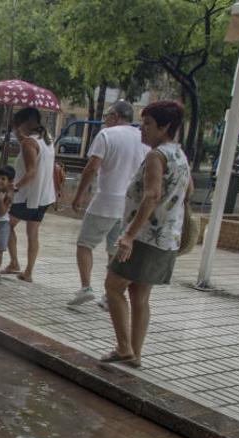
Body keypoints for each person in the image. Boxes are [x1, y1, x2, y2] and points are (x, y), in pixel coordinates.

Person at [101, 101, 193, 368]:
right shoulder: (179, 154)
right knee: (140, 296)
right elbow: (187, 192)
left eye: (149, 123)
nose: (143, 128)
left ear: (165, 127)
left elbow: (151, 195)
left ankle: (123, 348)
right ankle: (135, 354)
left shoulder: (157, 156)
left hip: (143, 237)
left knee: (113, 287)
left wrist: (128, 235)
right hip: (166, 238)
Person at [68, 101, 149, 307]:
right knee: (115, 249)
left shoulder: (107, 135)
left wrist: (79, 195)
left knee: (85, 244)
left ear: (114, 116)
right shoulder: (144, 139)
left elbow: (92, 167)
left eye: (106, 116)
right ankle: (110, 294)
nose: (105, 121)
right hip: (128, 206)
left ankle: (86, 287)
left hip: (105, 200)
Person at [2, 107, 56, 282]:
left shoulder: (29, 143)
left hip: (27, 196)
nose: (17, 128)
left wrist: (14, 187)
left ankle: (14, 262)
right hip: (44, 196)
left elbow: (31, 171)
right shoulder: (47, 139)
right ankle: (28, 271)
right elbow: (33, 153)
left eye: (18, 124)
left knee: (6, 225)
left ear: (25, 123)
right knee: (33, 233)